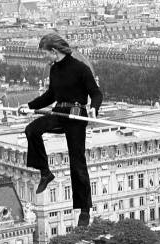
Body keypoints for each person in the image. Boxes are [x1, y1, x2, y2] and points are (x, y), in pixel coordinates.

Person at [19, 33, 103, 227]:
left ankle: (84, 209)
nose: (44, 58)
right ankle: (45, 172)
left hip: (75, 115)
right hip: (60, 113)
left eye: (45, 54)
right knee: (32, 129)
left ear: (54, 51)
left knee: (77, 162)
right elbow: (50, 95)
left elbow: (96, 93)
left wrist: (94, 108)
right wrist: (29, 106)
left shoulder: (81, 68)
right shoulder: (54, 70)